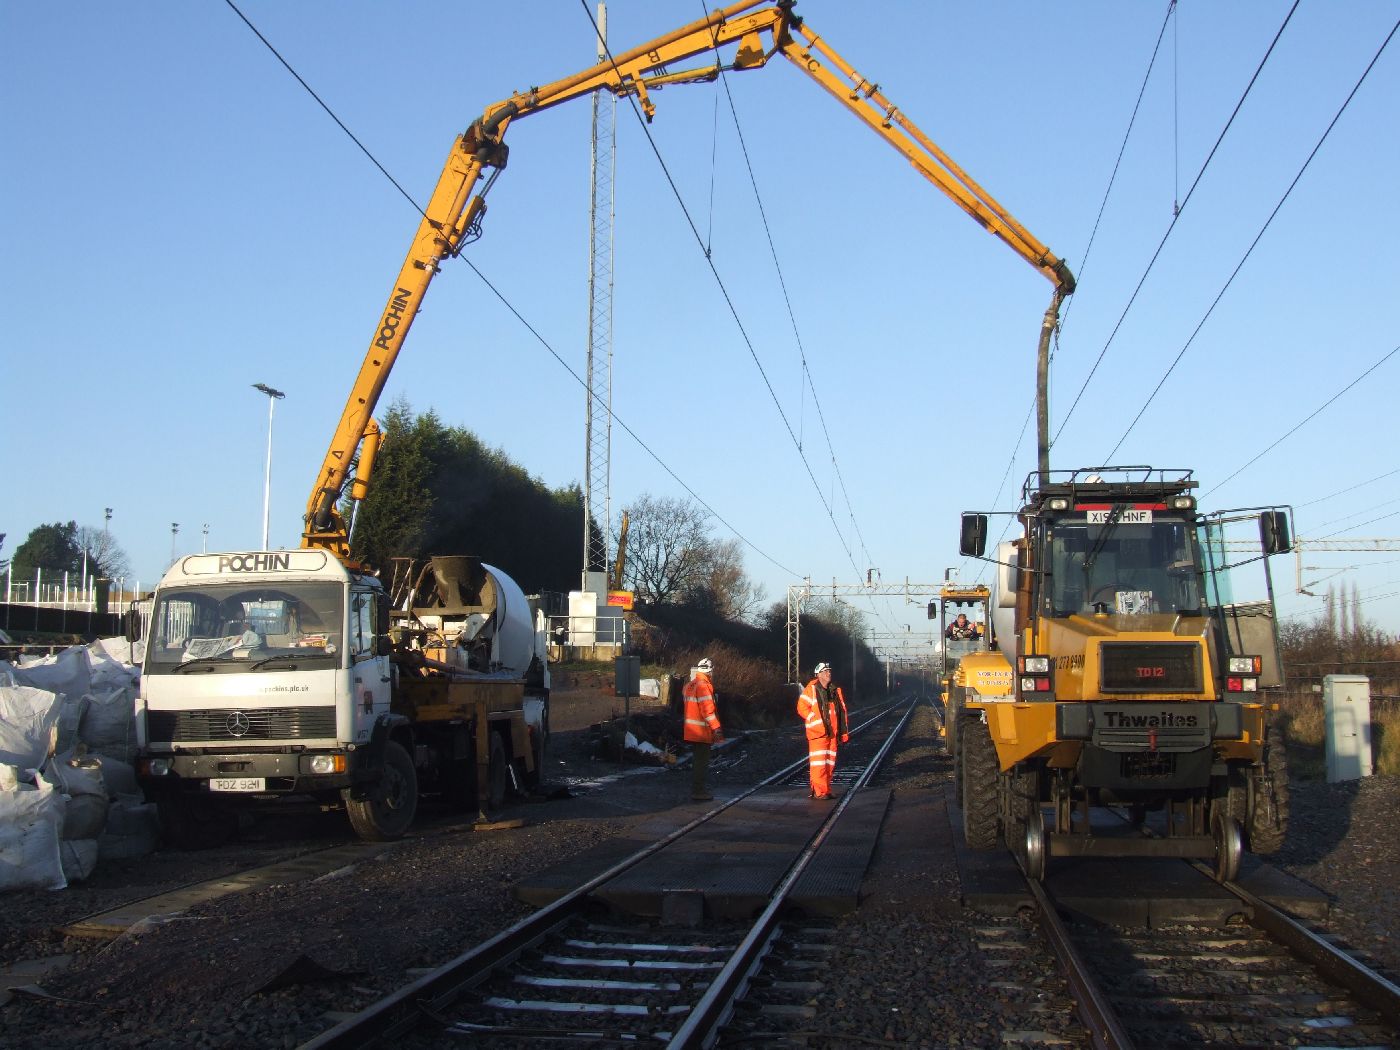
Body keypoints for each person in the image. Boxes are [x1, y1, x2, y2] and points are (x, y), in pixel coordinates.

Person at [796, 661, 849, 800]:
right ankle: (819, 792)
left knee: (829, 764)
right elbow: (801, 707)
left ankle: (825, 789)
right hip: (818, 733)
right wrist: (813, 720)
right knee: (819, 764)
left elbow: (841, 712)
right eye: (825, 671)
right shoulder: (812, 689)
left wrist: (843, 732)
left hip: (832, 734)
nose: (829, 673)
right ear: (818, 674)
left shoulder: (835, 690)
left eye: (829, 671)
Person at [682, 656, 722, 801]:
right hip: (701, 731)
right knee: (701, 762)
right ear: (710, 671)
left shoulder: (690, 685)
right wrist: (716, 728)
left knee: (697, 760)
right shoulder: (704, 686)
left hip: (691, 730)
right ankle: (698, 791)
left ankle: (698, 788)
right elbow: (708, 711)